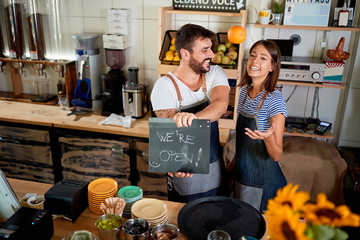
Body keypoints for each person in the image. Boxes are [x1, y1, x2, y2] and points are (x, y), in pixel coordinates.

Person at [151, 24, 230, 203]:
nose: (211, 54)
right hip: (186, 170)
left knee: (217, 214)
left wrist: (194, 118)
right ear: (185, 54)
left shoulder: (214, 73)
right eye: (204, 50)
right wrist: (173, 164)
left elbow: (220, 104)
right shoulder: (164, 87)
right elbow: (169, 136)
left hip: (214, 165)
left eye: (211, 48)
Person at [234, 40, 287, 212]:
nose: (255, 61)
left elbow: (276, 154)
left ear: (272, 67)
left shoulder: (275, 98)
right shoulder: (243, 93)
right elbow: (241, 141)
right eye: (252, 55)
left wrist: (269, 137)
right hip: (243, 176)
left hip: (265, 182)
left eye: (263, 58)